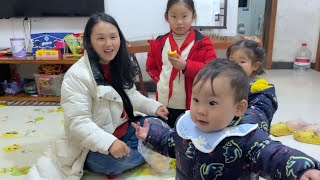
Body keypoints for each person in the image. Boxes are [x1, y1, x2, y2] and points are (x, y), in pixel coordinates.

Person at [25, 13, 168, 180]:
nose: (109, 44)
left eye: (113, 37)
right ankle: (146, 149)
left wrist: (155, 107)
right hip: (92, 147)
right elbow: (78, 122)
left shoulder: (119, 64)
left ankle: (140, 149)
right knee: (113, 163)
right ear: (90, 42)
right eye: (101, 38)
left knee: (158, 124)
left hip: (124, 129)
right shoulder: (77, 75)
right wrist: (110, 143)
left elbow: (133, 97)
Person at [132, 58, 320, 180]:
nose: (201, 111)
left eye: (212, 103)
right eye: (196, 100)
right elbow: (172, 144)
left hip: (249, 119)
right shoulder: (187, 125)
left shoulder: (246, 139)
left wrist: (302, 169)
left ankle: (262, 93)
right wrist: (152, 135)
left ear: (238, 108)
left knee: (260, 110)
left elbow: (274, 155)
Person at [146, 0, 217, 128]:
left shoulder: (202, 43)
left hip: (190, 105)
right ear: (166, 17)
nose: (179, 22)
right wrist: (162, 82)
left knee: (186, 137)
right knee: (165, 135)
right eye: (174, 16)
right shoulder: (160, 43)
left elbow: (212, 71)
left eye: (184, 16)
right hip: (164, 103)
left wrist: (186, 66)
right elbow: (151, 67)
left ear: (193, 17)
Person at [227, 40, 278, 134]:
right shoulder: (225, 82)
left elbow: (260, 113)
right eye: (231, 61)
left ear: (255, 66)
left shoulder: (258, 87)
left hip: (250, 132)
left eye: (242, 61)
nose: (235, 65)